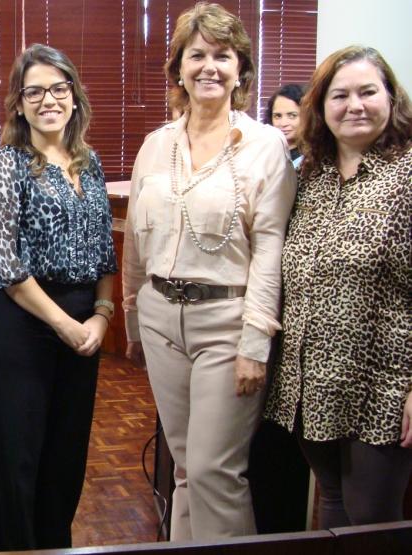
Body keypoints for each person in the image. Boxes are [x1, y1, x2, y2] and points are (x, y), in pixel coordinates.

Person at [122, 2, 296, 540]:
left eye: (222, 56)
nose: (209, 67)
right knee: (183, 467)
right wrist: (132, 319)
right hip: (158, 319)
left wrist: (254, 343)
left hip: (227, 323)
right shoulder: (156, 145)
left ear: (241, 69)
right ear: (178, 68)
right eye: (196, 55)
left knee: (217, 471)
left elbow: (270, 249)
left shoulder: (265, 145)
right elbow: (134, 242)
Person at [264, 45, 412, 528]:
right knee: (330, 504)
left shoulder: (407, 173)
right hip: (311, 384)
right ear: (321, 108)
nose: (355, 105)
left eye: (368, 92)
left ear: (391, 98)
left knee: (373, 521)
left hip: (383, 388)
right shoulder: (311, 175)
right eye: (340, 95)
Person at [0, 44, 117, 552]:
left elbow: (106, 253)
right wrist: (66, 324)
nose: (48, 100)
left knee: (66, 458)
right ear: (18, 104)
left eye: (58, 89)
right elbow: (6, 265)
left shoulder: (91, 161)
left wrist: (101, 317)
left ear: (74, 97)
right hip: (23, 325)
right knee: (21, 458)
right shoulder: (8, 164)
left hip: (85, 326)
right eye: (34, 91)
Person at [264, 83, 305, 165]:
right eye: (278, 116)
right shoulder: (263, 154)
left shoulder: (313, 160)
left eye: (292, 116)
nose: (283, 123)